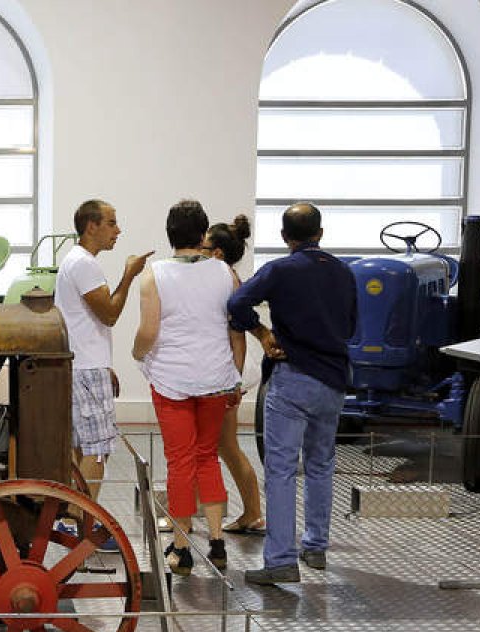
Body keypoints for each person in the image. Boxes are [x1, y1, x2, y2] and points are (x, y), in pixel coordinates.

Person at [227, 202, 356, 585]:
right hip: (333, 381)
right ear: (321, 233)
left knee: (281, 469)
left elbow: (236, 302)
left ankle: (281, 561)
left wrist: (263, 333)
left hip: (293, 377)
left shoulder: (280, 270)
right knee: (321, 463)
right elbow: (350, 327)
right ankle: (315, 546)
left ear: (285, 237)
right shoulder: (344, 273)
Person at [133, 199, 243, 575]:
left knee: (180, 461)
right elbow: (234, 327)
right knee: (207, 457)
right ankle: (217, 542)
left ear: (169, 234)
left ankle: (180, 548)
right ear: (202, 233)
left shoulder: (154, 275)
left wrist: (136, 354)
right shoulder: (225, 272)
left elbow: (149, 332)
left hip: (172, 380)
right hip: (216, 378)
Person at [55, 199, 152, 510]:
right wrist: (129, 275)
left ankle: (72, 517)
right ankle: (80, 520)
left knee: (82, 447)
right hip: (85, 368)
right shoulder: (83, 263)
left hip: (83, 365)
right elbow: (109, 314)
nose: (118, 230)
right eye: (111, 223)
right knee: (97, 449)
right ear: (91, 226)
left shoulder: (77, 260)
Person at [202, 216, 265, 535]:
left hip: (226, 376)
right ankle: (251, 512)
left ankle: (253, 512)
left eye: (204, 245)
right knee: (224, 447)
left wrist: (234, 380)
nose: (198, 250)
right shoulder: (226, 279)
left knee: (227, 446)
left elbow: (235, 334)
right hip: (226, 374)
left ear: (217, 253)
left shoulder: (228, 281)